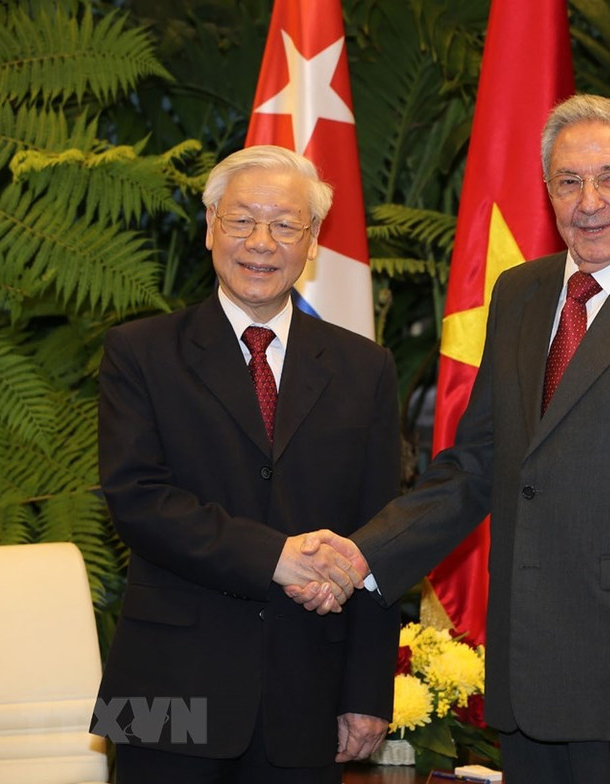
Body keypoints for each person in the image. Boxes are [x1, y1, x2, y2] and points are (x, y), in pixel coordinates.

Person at [291, 95, 610, 783]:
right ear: (546, 190)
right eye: (568, 181)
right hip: (529, 680)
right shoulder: (521, 293)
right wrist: (361, 558)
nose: (590, 201)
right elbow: (479, 464)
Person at [91, 145, 401, 784]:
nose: (262, 242)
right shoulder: (139, 352)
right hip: (165, 684)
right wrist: (277, 557)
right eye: (241, 220)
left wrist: (369, 692)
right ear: (210, 227)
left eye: (286, 225)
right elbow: (139, 500)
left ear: (312, 242)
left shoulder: (364, 367)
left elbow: (379, 532)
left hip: (307, 687)